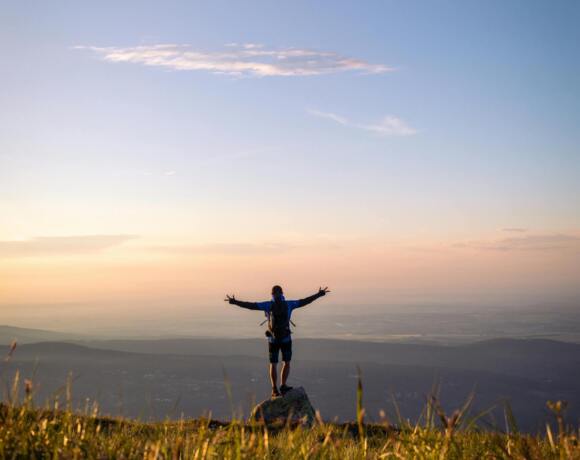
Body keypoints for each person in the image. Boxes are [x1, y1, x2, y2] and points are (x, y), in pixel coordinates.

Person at [225, 285, 330, 397]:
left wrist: (235, 302)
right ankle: (283, 385)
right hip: (286, 339)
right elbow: (305, 301)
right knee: (286, 362)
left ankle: (274, 389)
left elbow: (251, 306)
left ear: (272, 294)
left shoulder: (268, 305)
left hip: (273, 340)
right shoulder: (289, 304)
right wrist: (319, 294)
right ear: (282, 293)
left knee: (273, 364)